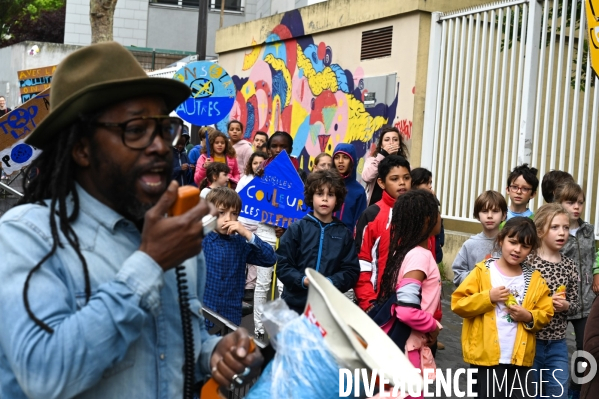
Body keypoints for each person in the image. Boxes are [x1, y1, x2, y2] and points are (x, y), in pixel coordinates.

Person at [0, 42, 262, 399]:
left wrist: (213, 354)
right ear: (82, 148)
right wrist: (150, 264)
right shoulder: (25, 237)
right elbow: (45, 375)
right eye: (136, 129)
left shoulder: (175, 234)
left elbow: (174, 345)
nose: (159, 146)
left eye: (163, 128)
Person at [452, 217, 553, 399]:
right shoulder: (483, 271)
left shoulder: (535, 279)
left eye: (525, 246)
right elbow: (458, 303)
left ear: (531, 250)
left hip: (519, 359)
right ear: (501, 240)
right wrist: (488, 297)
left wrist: (529, 316)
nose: (517, 249)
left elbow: (546, 313)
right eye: (512, 242)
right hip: (486, 359)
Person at [369, 190, 442, 377]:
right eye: (438, 213)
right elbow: (406, 310)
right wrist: (432, 325)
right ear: (427, 220)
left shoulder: (407, 251)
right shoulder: (419, 256)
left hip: (407, 346)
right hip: (406, 349)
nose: (441, 218)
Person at [276, 170, 360, 314]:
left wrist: (330, 282)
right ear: (311, 196)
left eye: (331, 194)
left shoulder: (343, 234)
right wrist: (302, 280)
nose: (325, 199)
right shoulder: (297, 229)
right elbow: (283, 265)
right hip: (294, 306)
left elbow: (351, 271)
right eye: (320, 194)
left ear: (338, 199)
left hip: (328, 308)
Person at [252, 131, 304, 340]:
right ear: (268, 148)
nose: (278, 150)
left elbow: (301, 206)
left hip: (288, 233)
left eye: (283, 146)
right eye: (274, 146)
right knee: (263, 283)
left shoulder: (299, 173)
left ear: (290, 149)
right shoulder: (262, 172)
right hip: (265, 231)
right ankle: (259, 327)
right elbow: (256, 202)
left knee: (284, 283)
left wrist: (286, 225)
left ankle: (282, 328)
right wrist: (273, 222)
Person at [202, 187, 276, 326]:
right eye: (221, 213)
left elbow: (269, 258)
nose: (228, 219)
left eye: (234, 214)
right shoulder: (201, 240)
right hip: (204, 315)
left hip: (230, 317)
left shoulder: (240, 242)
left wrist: (248, 234)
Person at [530, 203, 580, 399]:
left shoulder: (569, 265)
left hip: (558, 343)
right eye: (555, 227)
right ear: (541, 230)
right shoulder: (528, 262)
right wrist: (544, 304)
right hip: (530, 341)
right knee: (529, 393)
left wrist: (567, 306)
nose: (562, 233)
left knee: (558, 393)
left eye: (566, 228)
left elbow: (576, 304)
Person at [554, 182, 599, 399]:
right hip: (561, 301)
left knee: (585, 350)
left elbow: (594, 257)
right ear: (558, 204)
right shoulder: (553, 232)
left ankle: (576, 390)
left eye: (580, 202)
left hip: (587, 301)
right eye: (570, 202)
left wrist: (597, 273)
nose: (576, 207)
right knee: (554, 348)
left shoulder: (588, 230)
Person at [354, 155, 411, 311]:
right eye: (394, 178)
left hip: (410, 308)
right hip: (376, 304)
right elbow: (361, 262)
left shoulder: (417, 214)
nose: (402, 183)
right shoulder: (371, 215)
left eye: (406, 177)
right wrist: (368, 303)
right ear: (381, 182)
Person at [452, 190, 507, 286]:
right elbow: (458, 276)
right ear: (477, 215)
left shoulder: (509, 244)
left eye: (495, 211)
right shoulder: (469, 245)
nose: (490, 216)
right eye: (485, 211)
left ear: (504, 215)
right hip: (476, 299)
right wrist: (478, 276)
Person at [236, 151, 268, 306]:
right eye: (255, 163)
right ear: (250, 164)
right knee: (241, 255)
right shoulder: (245, 180)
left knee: (255, 258)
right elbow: (237, 199)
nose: (258, 166)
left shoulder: (269, 181)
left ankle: (250, 287)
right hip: (243, 222)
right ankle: (239, 285)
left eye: (261, 163)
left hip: (259, 225)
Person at [361, 126, 408, 205]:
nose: (391, 142)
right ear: (381, 146)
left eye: (395, 140)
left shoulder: (405, 166)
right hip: (375, 208)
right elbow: (366, 177)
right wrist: (382, 155)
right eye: (387, 140)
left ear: (399, 145)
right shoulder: (372, 161)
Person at [411, 167, 444, 264]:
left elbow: (439, 224)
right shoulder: (410, 205)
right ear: (414, 184)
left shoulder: (432, 200)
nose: (430, 186)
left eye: (430, 183)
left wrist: (440, 242)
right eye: (426, 183)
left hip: (433, 244)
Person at [332, 143, 367, 233]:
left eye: (345, 157)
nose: (340, 161)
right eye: (337, 157)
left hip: (346, 243)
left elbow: (359, 224)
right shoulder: (326, 186)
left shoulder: (358, 191)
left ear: (352, 162)